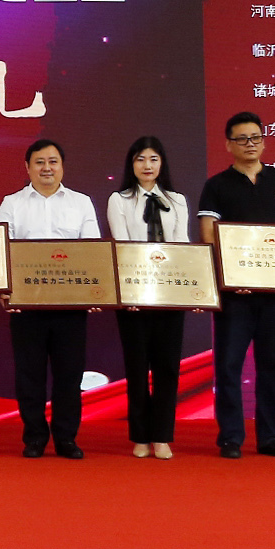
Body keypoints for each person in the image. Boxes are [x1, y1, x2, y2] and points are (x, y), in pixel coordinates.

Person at [197, 112, 275, 460]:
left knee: (274, 366)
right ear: (228, 144)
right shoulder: (217, 185)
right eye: (242, 138)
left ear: (263, 141)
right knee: (229, 365)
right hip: (236, 295)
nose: (250, 144)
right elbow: (208, 234)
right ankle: (231, 437)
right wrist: (232, 275)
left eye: (255, 137)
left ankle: (270, 437)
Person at [0, 136, 102, 458]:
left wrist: (96, 290)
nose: (47, 168)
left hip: (71, 305)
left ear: (62, 166)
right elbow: (1, 250)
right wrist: (4, 289)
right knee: (29, 374)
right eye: (39, 162)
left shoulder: (81, 203)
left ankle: (66, 438)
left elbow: (92, 251)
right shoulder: (12, 203)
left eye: (53, 161)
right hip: (27, 306)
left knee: (69, 374)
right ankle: (34, 437)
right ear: (27, 167)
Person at [109, 134, 193, 460]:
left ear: (162, 164)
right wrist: (129, 292)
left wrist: (187, 291)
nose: (147, 165)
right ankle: (140, 436)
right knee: (136, 368)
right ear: (131, 164)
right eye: (140, 159)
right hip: (133, 297)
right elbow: (121, 246)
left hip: (169, 296)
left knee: (167, 368)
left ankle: (162, 436)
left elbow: (181, 245)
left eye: (153, 159)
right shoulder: (119, 200)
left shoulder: (177, 200)